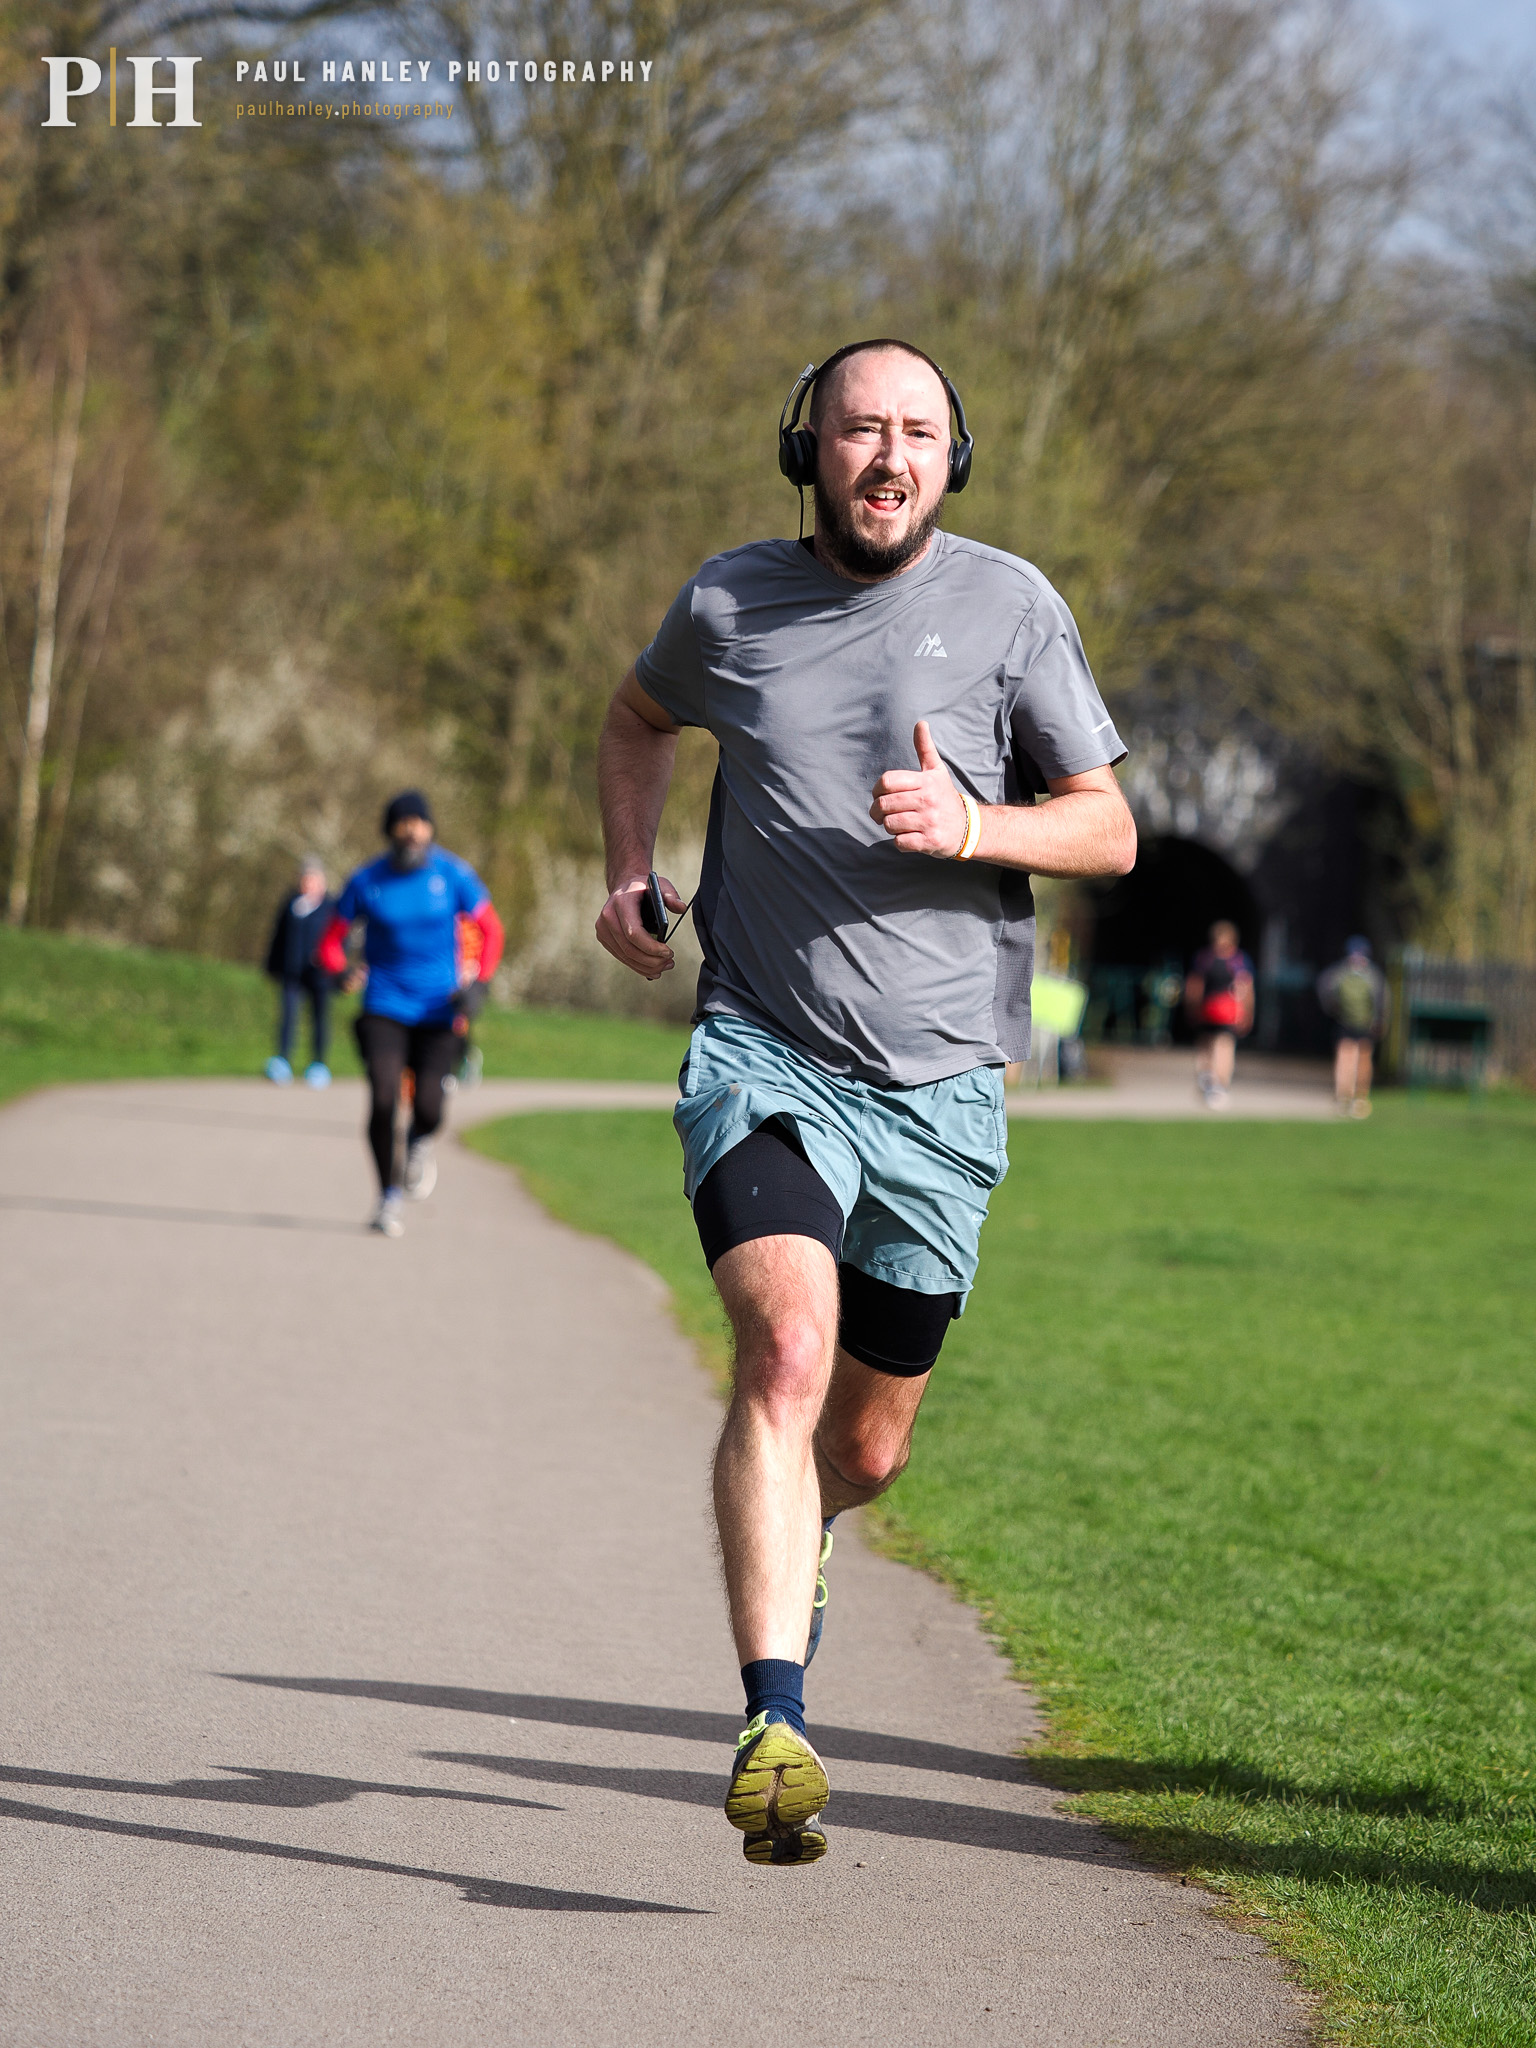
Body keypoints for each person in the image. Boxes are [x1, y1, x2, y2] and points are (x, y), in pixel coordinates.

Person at [594, 339, 1136, 1867]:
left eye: (916, 433)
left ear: (951, 460)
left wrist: (975, 824)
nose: (886, 456)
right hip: (764, 1046)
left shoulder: (1014, 607)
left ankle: (810, 1535)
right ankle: (776, 1716)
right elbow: (636, 722)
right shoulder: (727, 603)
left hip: (943, 1087)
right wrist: (630, 873)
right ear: (807, 450)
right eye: (857, 430)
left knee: (873, 1447)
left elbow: (1108, 833)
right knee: (783, 1347)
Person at [318, 791, 503, 1236]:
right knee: (383, 1098)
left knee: (429, 1108)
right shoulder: (367, 881)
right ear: (390, 831)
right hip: (384, 1004)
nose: (413, 831)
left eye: (420, 823)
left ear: (430, 829)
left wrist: (478, 984)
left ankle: (420, 1140)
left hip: (439, 1009)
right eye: (403, 823)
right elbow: (329, 942)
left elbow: (491, 929)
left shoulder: (453, 874)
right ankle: (387, 1197)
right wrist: (341, 970)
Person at [263, 855, 334, 1087]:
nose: (308, 884)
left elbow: (338, 939)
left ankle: (318, 1063)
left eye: (312, 879)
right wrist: (272, 965)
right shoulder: (291, 904)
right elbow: (278, 937)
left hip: (320, 975)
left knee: (319, 1020)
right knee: (288, 1017)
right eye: (305, 879)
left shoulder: (330, 907)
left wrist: (335, 966)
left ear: (321, 881)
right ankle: (282, 1061)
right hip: (291, 972)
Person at [1317, 936, 1390, 1117]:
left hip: (1344, 1021)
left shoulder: (1340, 971)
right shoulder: (1373, 974)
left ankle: (1343, 1097)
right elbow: (1382, 998)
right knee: (1363, 1060)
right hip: (1365, 1023)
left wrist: (1333, 1011)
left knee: (1345, 1058)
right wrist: (1381, 1020)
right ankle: (1360, 1098)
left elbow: (1324, 988)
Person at [1184, 920, 1254, 1108]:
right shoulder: (1239, 960)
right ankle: (1220, 1085)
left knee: (1206, 1045)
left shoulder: (1204, 958)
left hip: (1208, 1009)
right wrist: (1248, 1012)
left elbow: (1194, 986)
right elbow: (1246, 987)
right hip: (1228, 1012)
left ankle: (1207, 1078)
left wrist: (1192, 1008)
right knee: (1224, 1047)